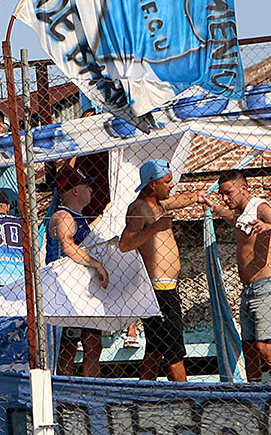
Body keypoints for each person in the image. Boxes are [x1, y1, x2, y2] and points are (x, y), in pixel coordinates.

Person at [118, 159, 193, 382]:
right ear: (152, 184)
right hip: (159, 288)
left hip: (167, 285)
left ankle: (143, 393)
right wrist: (155, 228)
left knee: (156, 347)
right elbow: (125, 244)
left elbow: (177, 201)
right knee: (173, 347)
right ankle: (188, 399)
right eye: (167, 181)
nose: (172, 185)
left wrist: (196, 198)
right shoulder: (138, 208)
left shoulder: (158, 205)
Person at [216, 168, 271, 383]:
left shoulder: (260, 207)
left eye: (228, 193)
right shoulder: (240, 214)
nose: (225, 198)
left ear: (244, 188)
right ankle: (254, 392)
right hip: (248, 289)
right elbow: (229, 217)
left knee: (263, 345)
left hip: (267, 286)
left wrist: (267, 226)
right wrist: (211, 205)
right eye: (222, 193)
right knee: (248, 347)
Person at [47, 168, 108, 378]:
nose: (91, 189)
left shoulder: (78, 218)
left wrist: (104, 217)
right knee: (68, 350)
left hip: (83, 295)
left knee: (94, 345)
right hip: (65, 295)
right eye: (86, 185)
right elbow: (68, 245)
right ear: (74, 191)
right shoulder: (63, 216)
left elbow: (84, 236)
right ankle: (65, 395)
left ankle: (93, 391)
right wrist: (96, 264)